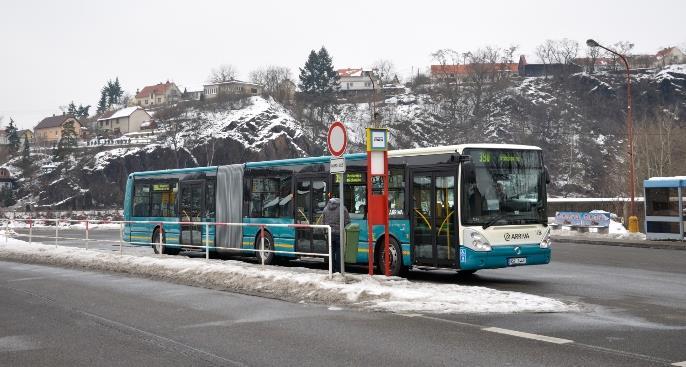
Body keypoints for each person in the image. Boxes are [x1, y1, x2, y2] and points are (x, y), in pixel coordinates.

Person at [322, 197, 351, 273]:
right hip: (339, 233)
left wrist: (324, 232)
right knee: (339, 252)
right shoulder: (342, 209)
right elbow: (347, 221)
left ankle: (332, 270)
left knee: (331, 252)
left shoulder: (325, 209)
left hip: (329, 233)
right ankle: (339, 269)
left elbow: (323, 221)